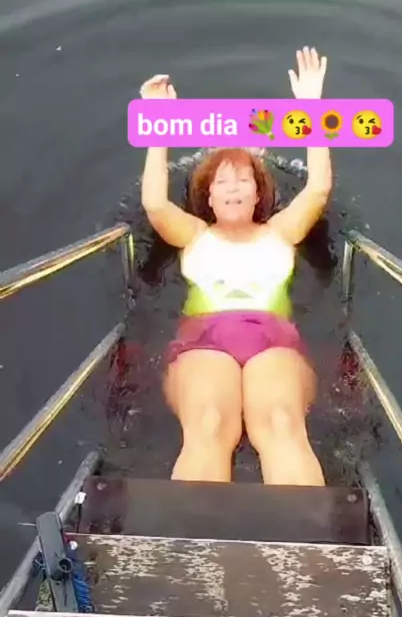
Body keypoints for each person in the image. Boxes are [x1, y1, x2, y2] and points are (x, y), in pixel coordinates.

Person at [139, 46, 332, 486]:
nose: (232, 188)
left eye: (243, 179)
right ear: (207, 196)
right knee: (208, 422)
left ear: (257, 193)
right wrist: (158, 120)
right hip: (204, 341)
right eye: (222, 181)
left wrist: (312, 106)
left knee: (282, 421)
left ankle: (303, 529)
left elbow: (318, 188)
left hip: (273, 341)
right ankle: (194, 528)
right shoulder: (193, 234)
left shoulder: (281, 231)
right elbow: (154, 202)